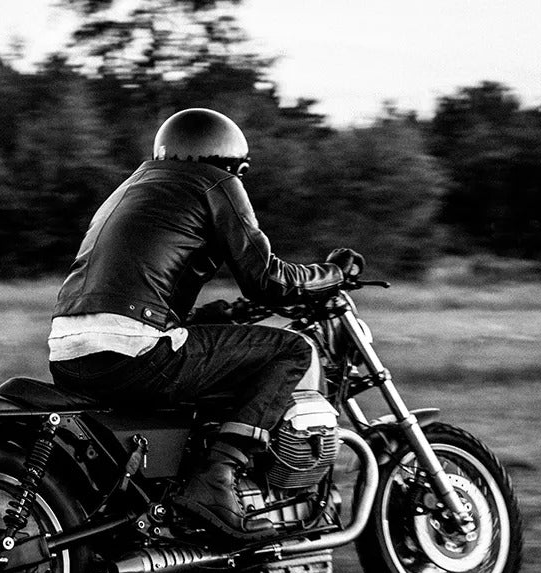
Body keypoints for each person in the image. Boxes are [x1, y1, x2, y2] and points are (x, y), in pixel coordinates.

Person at [49, 107, 364, 542]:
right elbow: (267, 279)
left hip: (70, 351)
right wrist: (332, 275)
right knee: (292, 350)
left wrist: (224, 315)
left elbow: (142, 294)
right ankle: (218, 475)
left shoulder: (131, 188)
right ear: (235, 164)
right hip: (136, 348)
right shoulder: (218, 182)